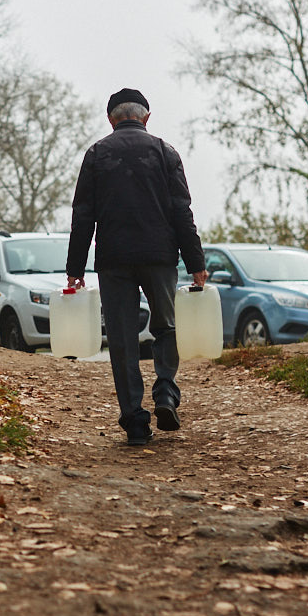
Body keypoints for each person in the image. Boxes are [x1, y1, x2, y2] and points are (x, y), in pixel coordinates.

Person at [66, 88, 209, 446]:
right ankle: (165, 394)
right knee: (167, 327)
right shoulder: (165, 152)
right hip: (160, 257)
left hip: (113, 260)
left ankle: (134, 421)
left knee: (122, 339)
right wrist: (196, 262)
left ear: (111, 119)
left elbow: (82, 216)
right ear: (146, 117)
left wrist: (75, 268)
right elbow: (182, 211)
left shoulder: (97, 154)